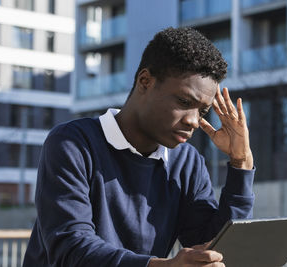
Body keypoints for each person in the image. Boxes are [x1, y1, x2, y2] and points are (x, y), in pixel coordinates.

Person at [23, 27, 255, 267]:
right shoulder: (72, 143)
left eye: (202, 111)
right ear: (145, 81)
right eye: (184, 102)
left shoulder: (187, 162)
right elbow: (70, 248)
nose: (193, 121)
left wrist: (241, 163)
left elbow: (213, 249)